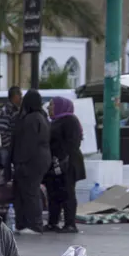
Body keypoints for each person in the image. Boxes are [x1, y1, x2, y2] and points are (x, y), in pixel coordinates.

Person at [11, 90, 51, 234]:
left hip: (30, 162)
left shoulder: (31, 119)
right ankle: (29, 224)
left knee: (29, 192)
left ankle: (34, 224)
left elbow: (27, 144)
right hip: (41, 160)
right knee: (31, 191)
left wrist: (19, 163)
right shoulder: (42, 117)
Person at [46, 96, 85, 233]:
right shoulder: (55, 121)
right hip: (57, 164)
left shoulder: (69, 120)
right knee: (54, 193)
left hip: (68, 163)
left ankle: (70, 223)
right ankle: (53, 222)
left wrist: (60, 157)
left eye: (51, 105)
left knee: (68, 192)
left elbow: (72, 143)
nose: (49, 108)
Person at [0, 86, 23, 168]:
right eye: (20, 95)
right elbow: (1, 131)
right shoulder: (7, 111)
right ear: (15, 96)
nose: (22, 97)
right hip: (7, 149)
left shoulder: (15, 110)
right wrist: (10, 145)